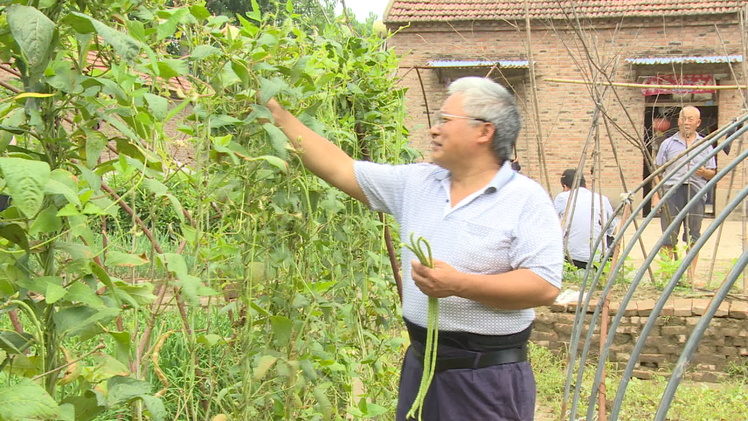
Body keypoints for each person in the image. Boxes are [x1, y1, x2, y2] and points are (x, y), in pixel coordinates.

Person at [265, 76, 562, 420]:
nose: (434, 130)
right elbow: (340, 168)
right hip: (422, 368)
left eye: (446, 121)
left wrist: (459, 285)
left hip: (487, 380)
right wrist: (277, 114)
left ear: (484, 131)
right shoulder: (417, 183)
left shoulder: (525, 199)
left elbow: (544, 286)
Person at [652, 106, 716, 279]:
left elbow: (713, 172)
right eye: (683, 119)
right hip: (672, 193)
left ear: (698, 123)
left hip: (696, 193)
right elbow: (657, 172)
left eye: (690, 119)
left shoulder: (705, 144)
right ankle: (666, 275)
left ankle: (690, 276)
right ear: (678, 121)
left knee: (693, 236)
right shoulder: (667, 144)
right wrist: (656, 196)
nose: (686, 122)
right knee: (668, 236)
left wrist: (703, 173)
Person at [553, 169, 618, 270]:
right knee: (610, 238)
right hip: (596, 258)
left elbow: (551, 226)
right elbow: (614, 230)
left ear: (565, 187)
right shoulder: (601, 199)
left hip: (571, 257)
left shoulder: (562, 197)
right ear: (585, 184)